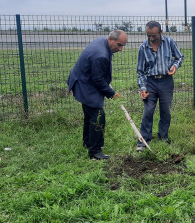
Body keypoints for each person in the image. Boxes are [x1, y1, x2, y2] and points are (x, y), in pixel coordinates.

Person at [67, 30, 127, 160]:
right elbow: (98, 80)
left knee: (90, 115)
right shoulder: (101, 55)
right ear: (110, 40)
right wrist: (112, 93)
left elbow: (98, 76)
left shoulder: (102, 41)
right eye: (119, 45)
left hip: (84, 79)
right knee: (98, 115)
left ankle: (88, 142)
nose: (121, 49)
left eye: (123, 45)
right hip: (85, 84)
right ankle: (95, 152)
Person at [136, 21, 184, 152]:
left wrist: (175, 66)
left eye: (154, 35)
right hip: (150, 82)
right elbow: (140, 71)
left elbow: (180, 57)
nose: (151, 38)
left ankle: (163, 137)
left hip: (166, 81)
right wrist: (143, 88)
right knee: (148, 111)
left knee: (166, 111)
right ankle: (143, 141)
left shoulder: (169, 42)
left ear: (160, 33)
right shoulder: (143, 48)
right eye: (148, 35)